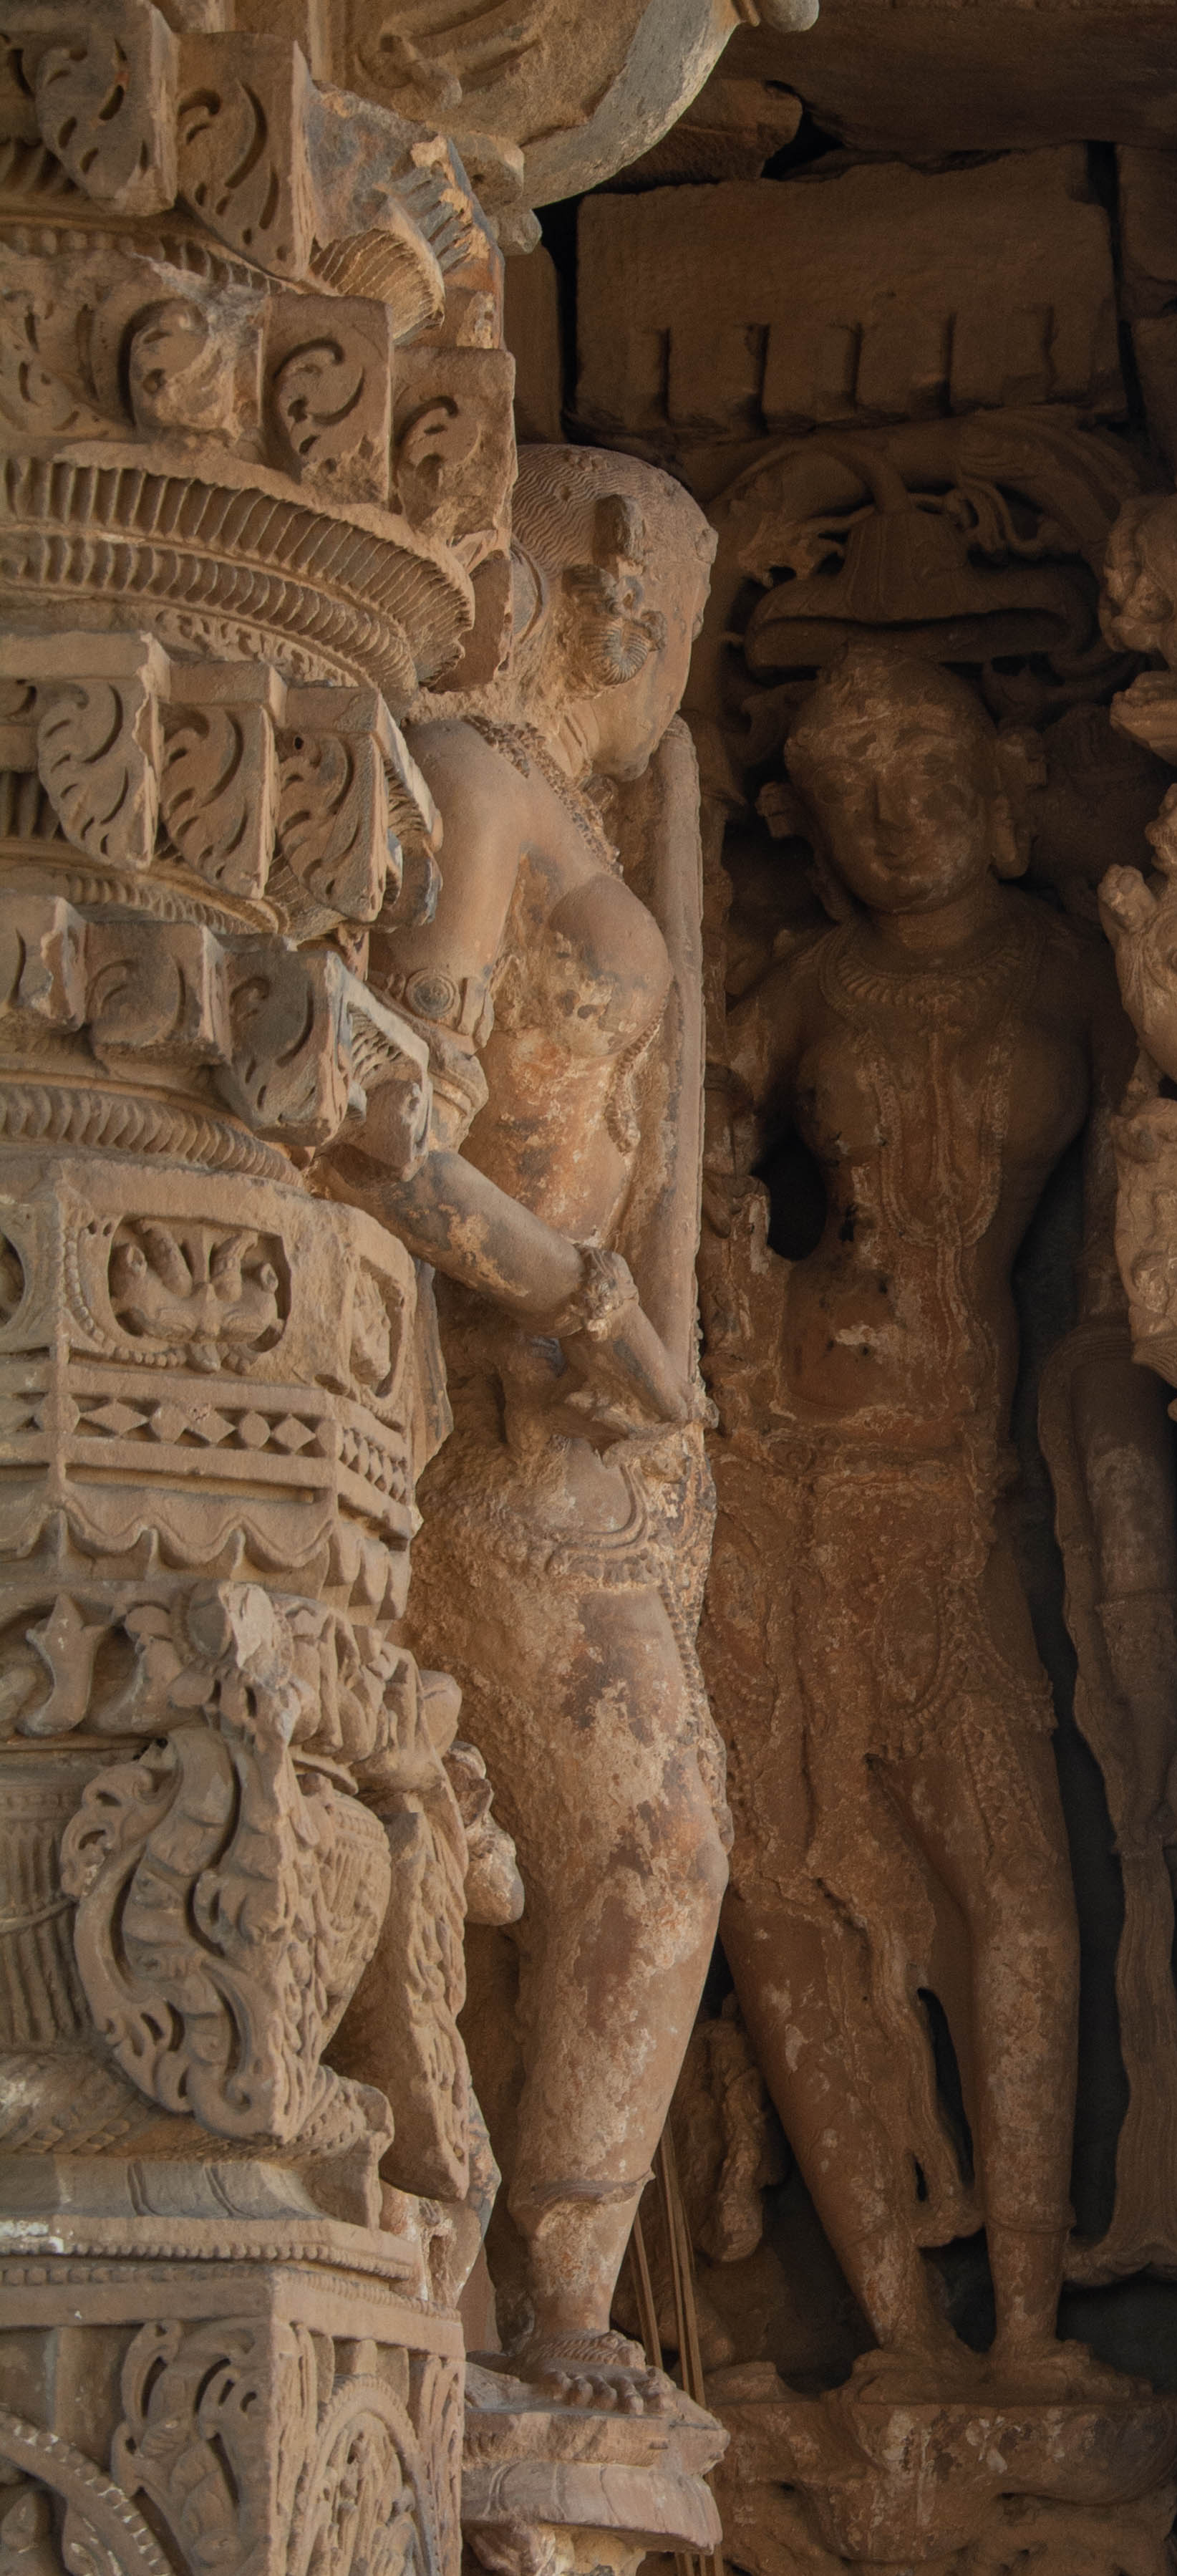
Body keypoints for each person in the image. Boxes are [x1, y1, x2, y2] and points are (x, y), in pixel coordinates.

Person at [701, 640, 1177, 2390]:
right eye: (854, 802)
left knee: (1024, 1903)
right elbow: (677, 1133)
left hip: (960, 1481)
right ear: (814, 832)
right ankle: (901, 2336)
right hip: (782, 1465)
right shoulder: (806, 987)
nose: (899, 823)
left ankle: (1032, 2320)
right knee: (779, 1890)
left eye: (929, 783)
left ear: (997, 793)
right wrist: (728, 1263)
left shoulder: (1062, 965)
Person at [367, 445, 727, 2406]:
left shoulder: (566, 796)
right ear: (609, 599)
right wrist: (578, 1293)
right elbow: (382, 1122)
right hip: (498, 1399)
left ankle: (545, 2302)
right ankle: (550, 2315)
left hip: (590, 1425)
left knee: (640, 1852)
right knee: (645, 1853)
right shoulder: (478, 777)